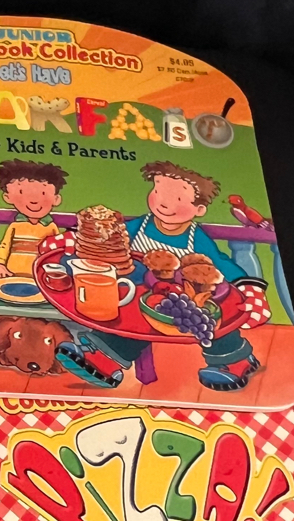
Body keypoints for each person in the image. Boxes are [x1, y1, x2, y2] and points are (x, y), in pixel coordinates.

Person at [57, 160, 267, 391]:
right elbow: (108, 237)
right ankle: (104, 361)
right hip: (141, 296)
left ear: (199, 210)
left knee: (214, 318)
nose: (165, 203)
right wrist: (72, 239)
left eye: (178, 198)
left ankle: (235, 361)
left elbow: (220, 263)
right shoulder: (139, 226)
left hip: (187, 301)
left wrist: (251, 288)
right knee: (130, 323)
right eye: (158, 191)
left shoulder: (197, 238)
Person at [0, 159, 66, 279]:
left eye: (43, 193)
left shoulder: (51, 227)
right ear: (8, 197)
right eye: (21, 192)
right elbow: (4, 246)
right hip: (12, 275)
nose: (33, 200)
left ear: (56, 199)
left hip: (40, 278)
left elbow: (56, 252)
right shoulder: (16, 226)